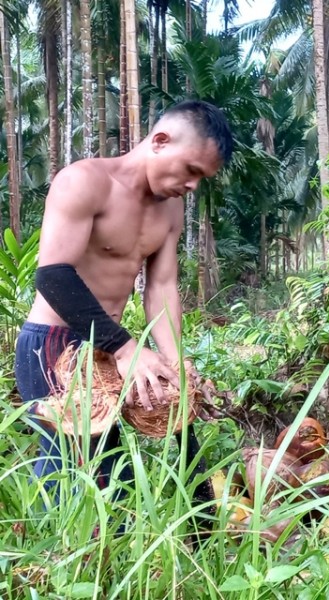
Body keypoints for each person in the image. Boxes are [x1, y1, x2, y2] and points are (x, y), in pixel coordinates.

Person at [14, 100, 233, 499]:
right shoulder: (85, 182)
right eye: (191, 171)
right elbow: (52, 276)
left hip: (108, 347)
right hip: (53, 344)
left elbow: (161, 287)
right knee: (78, 481)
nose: (193, 185)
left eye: (203, 178)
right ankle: (58, 558)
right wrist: (126, 348)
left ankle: (199, 535)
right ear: (161, 141)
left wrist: (175, 359)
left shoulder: (171, 212)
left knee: (119, 474)